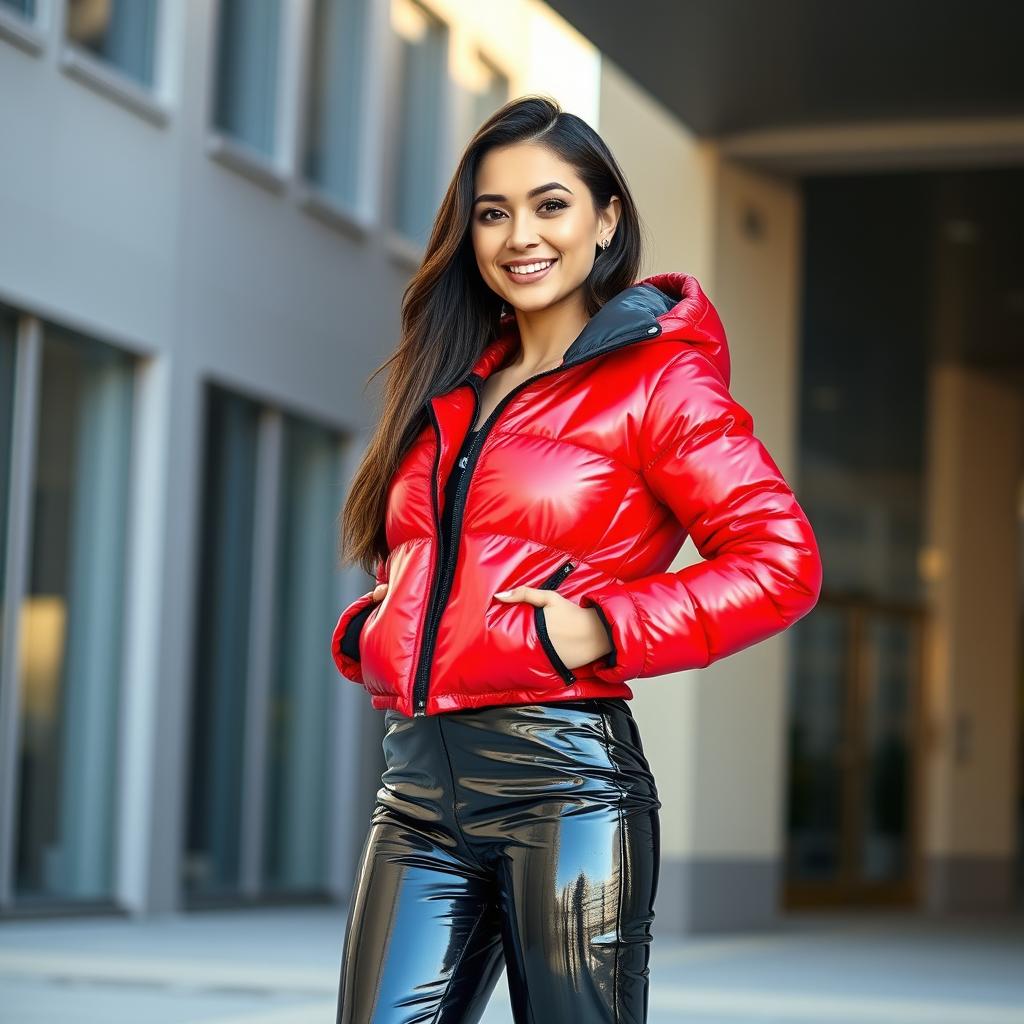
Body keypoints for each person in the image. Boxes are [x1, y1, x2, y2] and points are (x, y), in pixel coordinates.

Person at [331, 95, 822, 1024]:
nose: (521, 234)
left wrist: (603, 626)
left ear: (607, 220)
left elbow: (780, 560)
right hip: (416, 791)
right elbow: (423, 562)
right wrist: (381, 622)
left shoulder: (660, 382)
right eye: (493, 211)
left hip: (562, 787)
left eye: (551, 204)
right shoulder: (452, 382)